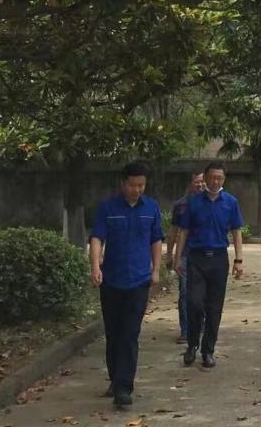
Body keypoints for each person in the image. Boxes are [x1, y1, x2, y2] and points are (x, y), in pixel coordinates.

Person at [89, 161, 164, 409]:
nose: (137, 190)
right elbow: (97, 238)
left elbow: (156, 239)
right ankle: (115, 378)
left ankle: (124, 388)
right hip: (112, 280)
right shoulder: (107, 208)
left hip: (139, 280)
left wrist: (156, 269)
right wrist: (95, 267)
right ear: (123, 184)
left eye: (141, 185)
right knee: (114, 333)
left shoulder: (151, 207)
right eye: (133, 185)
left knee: (130, 333)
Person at [173, 161, 244, 369]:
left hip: (218, 259)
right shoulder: (194, 202)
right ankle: (192, 344)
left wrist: (239, 260)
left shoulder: (230, 202)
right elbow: (183, 232)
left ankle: (208, 350)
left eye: (219, 178)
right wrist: (177, 258)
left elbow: (237, 231)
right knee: (194, 303)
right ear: (205, 178)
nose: (215, 181)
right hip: (196, 258)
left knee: (214, 307)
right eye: (212, 177)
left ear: (224, 179)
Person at [167, 171, 206, 343]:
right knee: (185, 292)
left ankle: (202, 324)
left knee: (203, 293)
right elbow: (173, 232)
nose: (200, 185)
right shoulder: (181, 205)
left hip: (204, 254)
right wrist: (170, 254)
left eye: (203, 181)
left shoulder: (211, 202)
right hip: (185, 255)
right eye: (197, 181)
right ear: (191, 183)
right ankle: (186, 330)